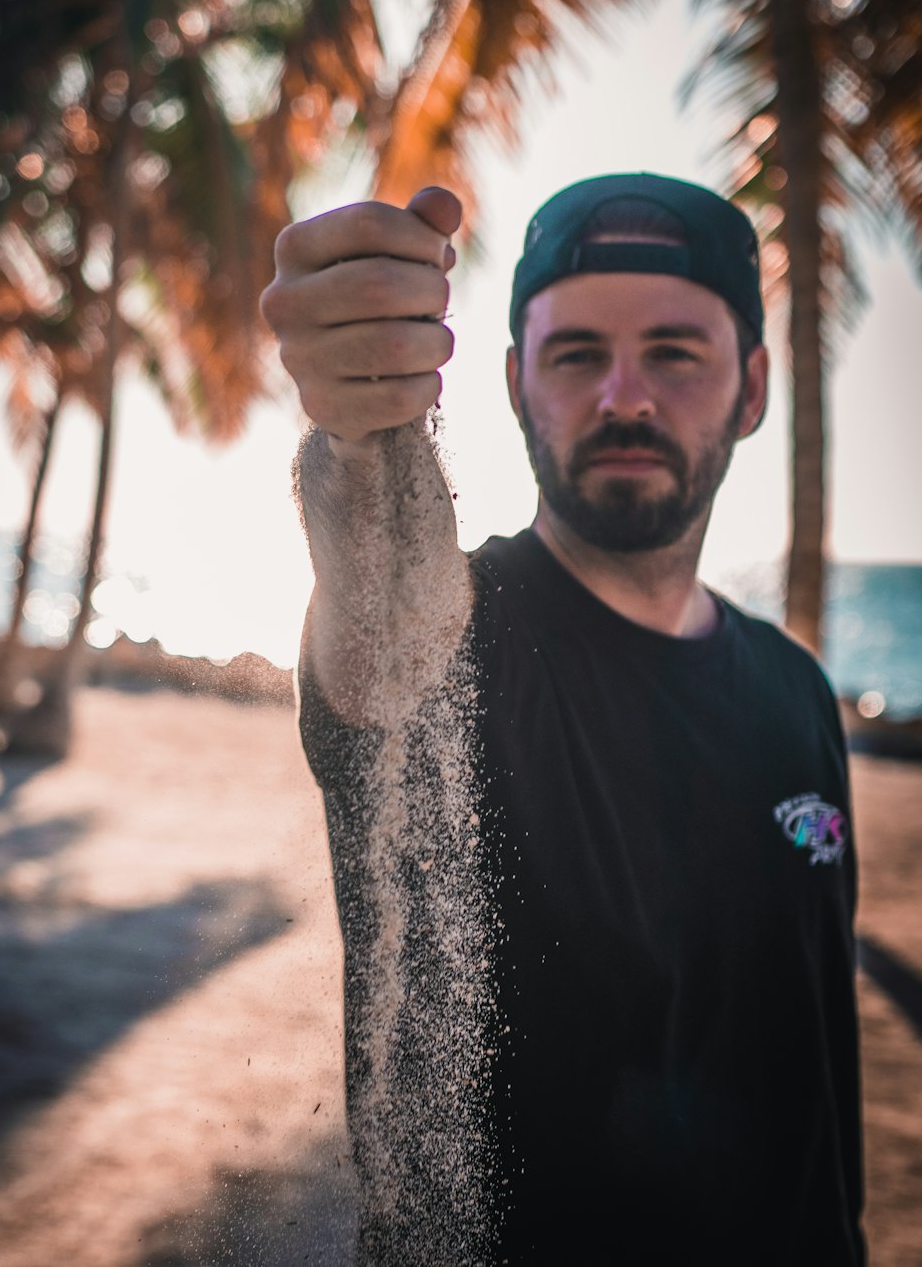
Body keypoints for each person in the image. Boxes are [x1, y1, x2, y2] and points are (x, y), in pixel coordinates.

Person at [261, 174, 864, 1265]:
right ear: (512, 381)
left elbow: (816, 1076)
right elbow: (378, 585)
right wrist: (363, 428)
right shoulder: (453, 647)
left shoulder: (796, 691)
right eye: (577, 353)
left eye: (675, 352)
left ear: (753, 387)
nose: (625, 395)